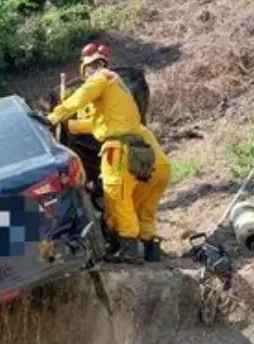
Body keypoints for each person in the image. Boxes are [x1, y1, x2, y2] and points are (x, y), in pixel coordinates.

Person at [47, 43, 148, 263]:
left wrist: (53, 117)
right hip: (127, 147)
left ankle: (130, 250)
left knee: (117, 198)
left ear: (88, 68)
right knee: (116, 199)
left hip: (118, 149)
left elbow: (79, 98)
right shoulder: (116, 85)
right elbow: (96, 123)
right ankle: (121, 246)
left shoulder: (101, 77)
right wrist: (70, 126)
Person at [131, 123, 170, 262]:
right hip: (164, 169)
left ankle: (130, 251)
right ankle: (152, 252)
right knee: (147, 211)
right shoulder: (140, 127)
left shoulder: (119, 129)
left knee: (127, 211)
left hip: (147, 172)